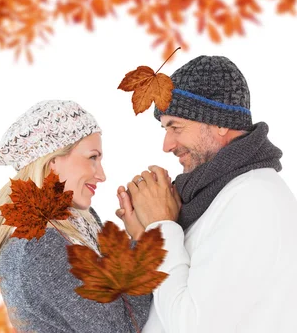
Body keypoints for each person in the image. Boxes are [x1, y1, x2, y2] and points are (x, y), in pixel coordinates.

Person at [115, 55, 297, 332]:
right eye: (165, 128)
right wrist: (146, 240)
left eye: (175, 126)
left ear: (220, 122)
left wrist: (160, 228)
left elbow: (192, 325)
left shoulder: (254, 199)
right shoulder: (215, 194)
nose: (167, 144)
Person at [0, 99, 152, 332]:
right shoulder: (43, 245)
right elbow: (124, 326)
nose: (101, 175)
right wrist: (142, 239)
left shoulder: (78, 221)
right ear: (53, 163)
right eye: (92, 157)